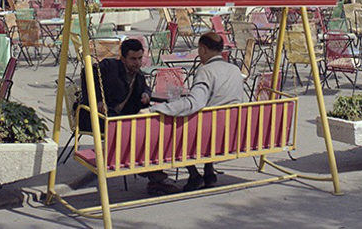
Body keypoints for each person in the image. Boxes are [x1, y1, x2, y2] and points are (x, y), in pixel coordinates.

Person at [79, 38, 176, 196]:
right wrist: (96, 101)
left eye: (139, 58)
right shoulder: (109, 67)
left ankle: (153, 175)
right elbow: (86, 73)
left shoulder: (138, 76)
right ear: (122, 58)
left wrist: (146, 94)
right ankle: (154, 177)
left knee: (152, 130)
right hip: (98, 118)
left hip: (121, 120)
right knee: (136, 135)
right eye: (132, 59)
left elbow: (145, 88)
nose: (137, 63)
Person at [150, 32, 245, 192]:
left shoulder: (206, 71)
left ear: (204, 49)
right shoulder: (235, 70)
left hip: (207, 135)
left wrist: (157, 109)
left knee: (179, 128)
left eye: (199, 50)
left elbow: (194, 103)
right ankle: (209, 171)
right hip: (231, 131)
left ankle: (194, 175)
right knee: (208, 122)